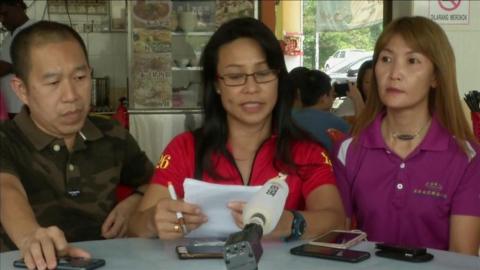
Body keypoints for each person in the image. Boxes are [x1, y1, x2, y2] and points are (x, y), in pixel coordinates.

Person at [129, 17, 345, 241]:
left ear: (279, 78)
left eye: (263, 74)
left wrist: (290, 223)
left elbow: (337, 221)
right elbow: (135, 226)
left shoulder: (307, 152)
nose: (251, 88)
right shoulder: (184, 149)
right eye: (235, 76)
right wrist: (154, 221)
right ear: (216, 85)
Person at [0, 21, 154, 269]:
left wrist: (135, 202)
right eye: (52, 83)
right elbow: (6, 191)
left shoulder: (112, 135)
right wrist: (30, 236)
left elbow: (155, 180)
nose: (71, 95)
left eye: (80, 77)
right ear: (22, 90)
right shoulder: (6, 139)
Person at [333, 16, 480, 255]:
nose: (395, 73)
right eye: (386, 59)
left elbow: (462, 257)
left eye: (412, 61)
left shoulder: (467, 157)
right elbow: (337, 239)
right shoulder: (348, 150)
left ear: (435, 77)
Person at [291, 68, 350, 153]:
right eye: (331, 94)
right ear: (324, 98)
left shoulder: (288, 118)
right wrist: (357, 98)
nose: (333, 97)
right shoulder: (336, 123)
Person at [0, 0, 35, 117]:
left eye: (5, 14)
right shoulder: (7, 39)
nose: (2, 20)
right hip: (7, 107)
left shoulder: (35, 31)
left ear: (18, 5)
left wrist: (10, 68)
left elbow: (43, 65)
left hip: (26, 108)